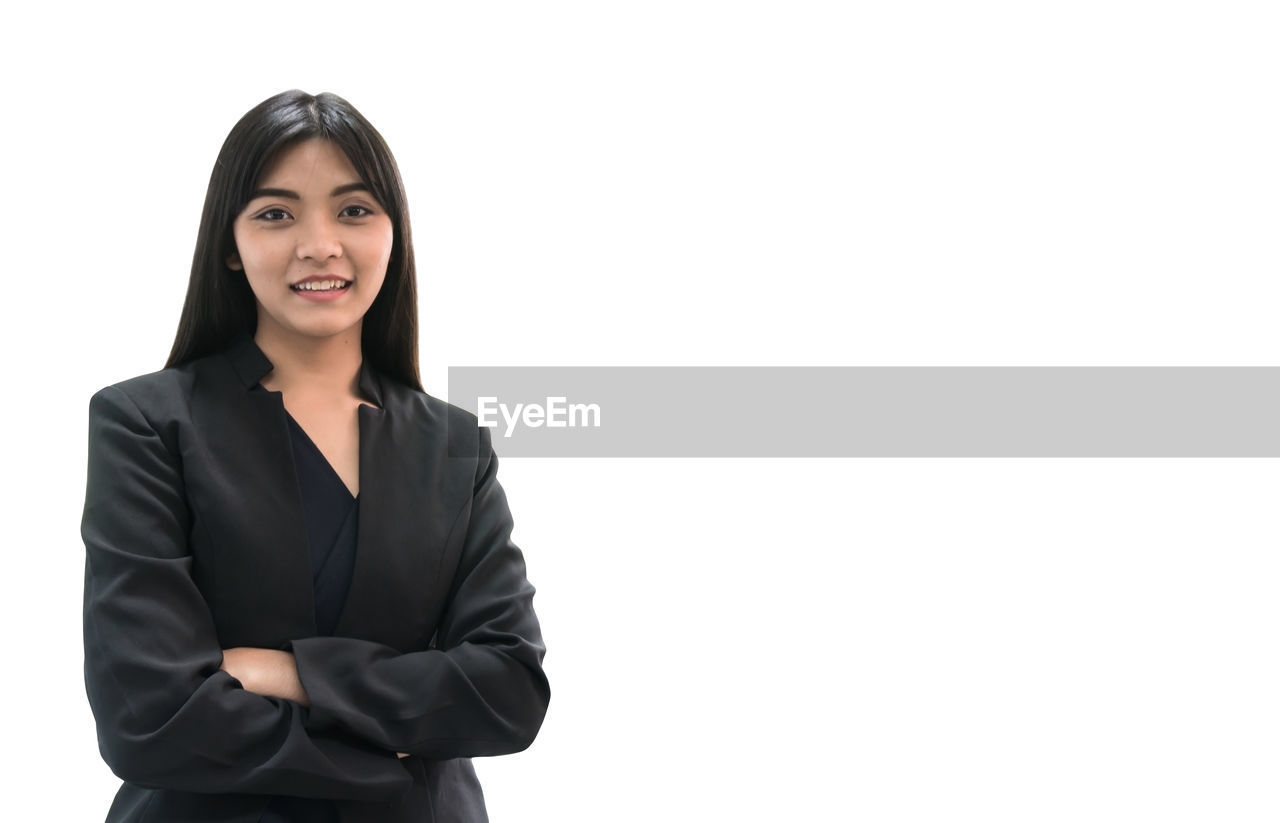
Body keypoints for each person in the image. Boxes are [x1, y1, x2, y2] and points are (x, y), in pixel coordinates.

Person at [81, 90, 550, 823]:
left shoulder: (455, 446)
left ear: (393, 234)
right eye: (276, 213)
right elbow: (149, 717)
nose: (319, 244)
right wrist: (399, 760)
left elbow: (509, 691)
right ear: (230, 245)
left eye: (354, 210)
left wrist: (289, 672)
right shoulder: (146, 424)